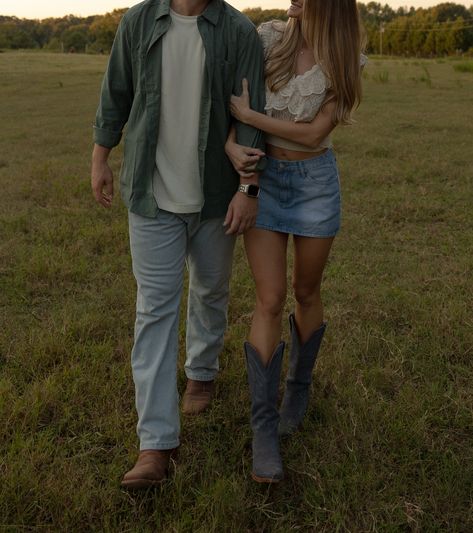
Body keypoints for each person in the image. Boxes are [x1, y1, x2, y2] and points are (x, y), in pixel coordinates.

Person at [91, 0, 266, 489]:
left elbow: (253, 117)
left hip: (214, 197)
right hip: (152, 196)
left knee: (211, 291)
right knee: (154, 310)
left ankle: (203, 371)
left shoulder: (238, 32)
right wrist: (100, 155)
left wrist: (247, 189)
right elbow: (116, 92)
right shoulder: (138, 22)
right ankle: (155, 445)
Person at [226, 0, 366, 483]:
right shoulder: (266, 39)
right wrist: (231, 138)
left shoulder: (345, 58)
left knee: (306, 292)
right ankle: (263, 430)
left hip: (313, 184)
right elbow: (230, 105)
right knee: (269, 298)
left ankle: (298, 386)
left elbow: (312, 136)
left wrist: (252, 118)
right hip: (262, 180)